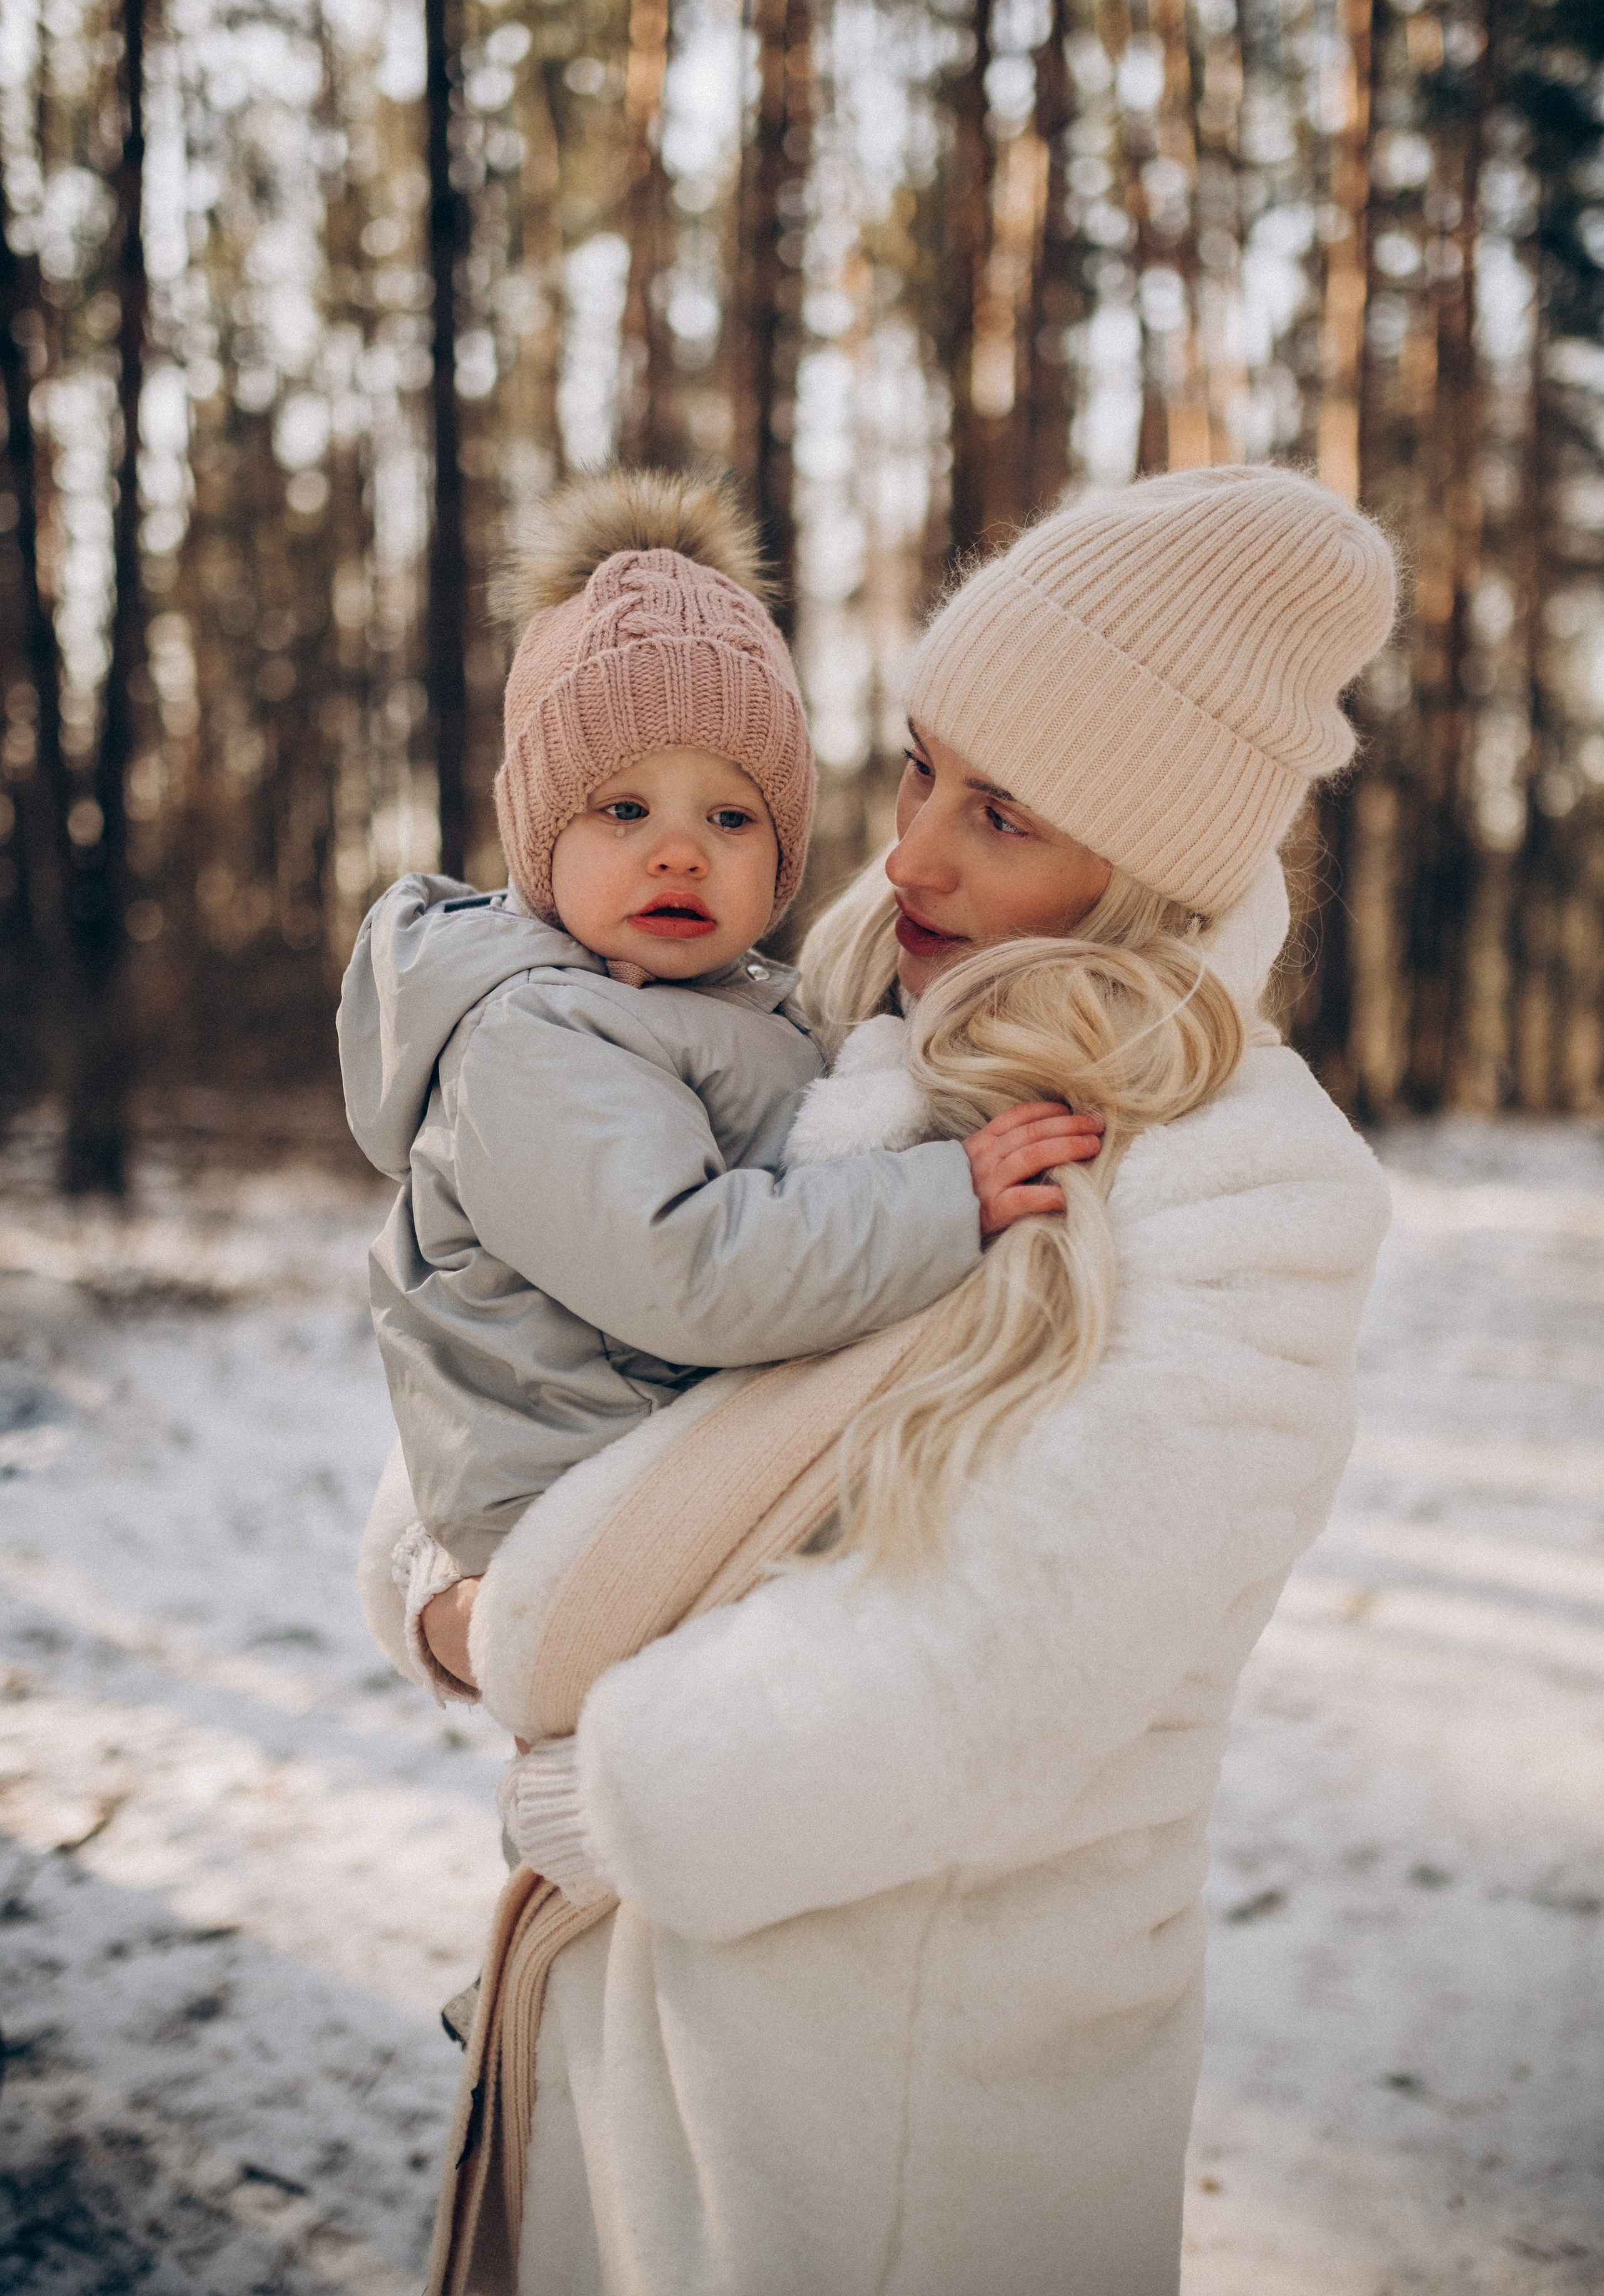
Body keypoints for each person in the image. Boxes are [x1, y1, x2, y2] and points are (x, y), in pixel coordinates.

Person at [364, 462, 1397, 2296]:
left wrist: (628, 1785)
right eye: (920, 766)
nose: (908, 853)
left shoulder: (1249, 1188)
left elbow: (1006, 1656)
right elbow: (520, 1343)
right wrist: (454, 1598)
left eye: (1000, 813)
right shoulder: (826, 1006)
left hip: (902, 2116)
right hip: (625, 2052)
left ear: (1141, 869)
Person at [338, 470, 1097, 1699]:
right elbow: (686, 1269)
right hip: (577, 1504)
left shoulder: (730, 1001)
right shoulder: (533, 1038)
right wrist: (942, 1196)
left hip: (651, 1473)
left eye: (733, 816)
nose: (679, 848)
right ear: (540, 840)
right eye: (623, 807)